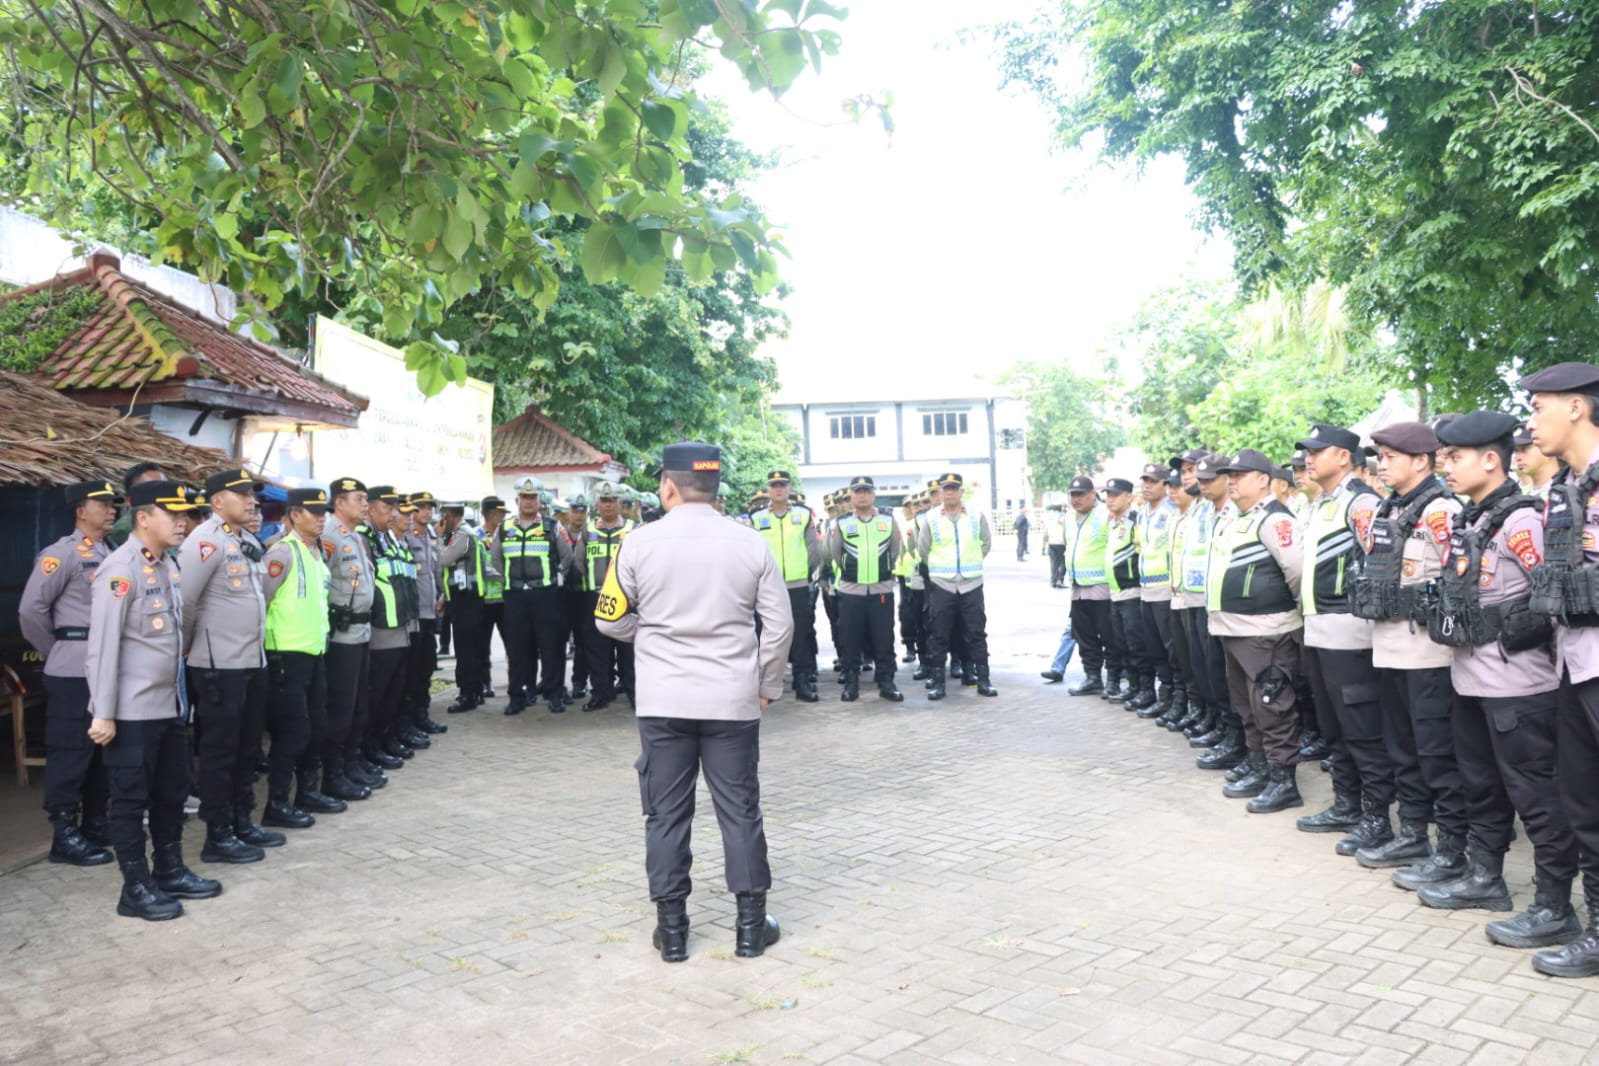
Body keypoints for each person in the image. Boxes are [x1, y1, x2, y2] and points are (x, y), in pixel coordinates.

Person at [595, 442, 794, 963]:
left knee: (665, 814)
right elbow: (779, 626)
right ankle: (750, 930)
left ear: (668, 487)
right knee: (740, 810)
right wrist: (766, 685)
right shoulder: (750, 542)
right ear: (714, 486)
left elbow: (608, 618)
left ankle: (673, 933)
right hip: (732, 699)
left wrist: (652, 636)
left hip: (664, 700)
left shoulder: (636, 543)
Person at [1426, 410, 1582, 948]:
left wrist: (1511, 628)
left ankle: (1554, 906)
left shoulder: (1522, 522)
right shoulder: (1473, 519)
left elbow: (1553, 598)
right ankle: (1485, 877)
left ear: (1491, 459)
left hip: (1520, 689)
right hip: (1472, 682)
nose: (1446, 466)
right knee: (1481, 789)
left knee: (1537, 801)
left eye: (1456, 457)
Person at [87, 480, 221, 920]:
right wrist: (103, 712)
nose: (182, 522)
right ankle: (135, 887)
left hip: (168, 705)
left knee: (171, 792)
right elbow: (103, 646)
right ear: (143, 518)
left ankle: (169, 870)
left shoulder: (167, 564)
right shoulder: (120, 569)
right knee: (129, 800)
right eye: (173, 514)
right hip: (130, 711)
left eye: (184, 515)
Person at [1353, 422, 1469, 876]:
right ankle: (1413, 834)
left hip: (1428, 655)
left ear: (1421, 461)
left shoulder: (1442, 510)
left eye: (1390, 457)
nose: (1381, 465)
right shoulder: (1390, 508)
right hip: (1389, 649)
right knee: (1402, 751)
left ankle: (1451, 850)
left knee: (1437, 755)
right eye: (1379, 457)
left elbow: (1459, 581)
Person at [1517, 361, 1599, 978]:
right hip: (1574, 662)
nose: (1531, 424)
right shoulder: (1565, 487)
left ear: (1576, 407)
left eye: (1539, 407)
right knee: (1584, 802)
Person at [1293, 425, 1393, 852]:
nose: (1309, 459)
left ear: (1343, 456)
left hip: (1351, 635)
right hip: (1319, 631)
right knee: (1334, 729)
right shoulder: (1323, 503)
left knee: (1363, 732)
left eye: (1318, 451)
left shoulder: (1360, 502)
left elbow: (1379, 563)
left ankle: (1377, 818)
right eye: (1307, 452)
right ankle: (1346, 804)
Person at [178, 468, 282, 864]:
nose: (252, 501)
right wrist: (189, 648)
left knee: (247, 748)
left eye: (252, 494)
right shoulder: (204, 541)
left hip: (252, 660)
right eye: (242, 494)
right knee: (220, 752)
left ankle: (242, 821)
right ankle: (217, 835)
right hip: (218, 663)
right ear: (217, 501)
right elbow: (186, 602)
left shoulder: (245, 540)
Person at [18, 479, 123, 866]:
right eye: (103, 504)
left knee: (102, 749)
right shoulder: (61, 554)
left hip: (108, 664)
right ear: (81, 510)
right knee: (71, 750)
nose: (112, 510)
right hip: (74, 668)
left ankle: (95, 822)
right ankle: (64, 834)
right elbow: (30, 611)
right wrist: (59, 650)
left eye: (113, 504)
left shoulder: (112, 552)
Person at [1208, 450, 1306, 813]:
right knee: (1247, 705)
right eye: (1230, 475)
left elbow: (1296, 571)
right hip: (1234, 629)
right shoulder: (1239, 518)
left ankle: (1284, 780)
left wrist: (1289, 611)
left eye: (1240, 475)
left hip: (1266, 630)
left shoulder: (1274, 519)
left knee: (1272, 706)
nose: (1232, 481)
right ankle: (1260, 765)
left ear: (1263, 479)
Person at [260, 487, 343, 827]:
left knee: (316, 727)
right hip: (286, 654)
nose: (322, 518)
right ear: (295, 515)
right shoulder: (283, 552)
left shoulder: (316, 551)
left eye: (324, 512)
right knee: (292, 732)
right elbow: (262, 598)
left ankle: (307, 792)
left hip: (313, 651)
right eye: (314, 512)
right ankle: (277, 803)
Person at [319, 477, 379, 800]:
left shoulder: (355, 535)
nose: (365, 504)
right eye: (359, 498)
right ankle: (333, 774)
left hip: (361, 632)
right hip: (341, 635)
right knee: (341, 707)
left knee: (358, 705)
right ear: (339, 502)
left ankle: (351, 764)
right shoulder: (329, 535)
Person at [494, 477, 573, 714]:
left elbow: (567, 557)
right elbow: (496, 559)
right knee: (517, 649)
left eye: (533, 497)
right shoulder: (504, 527)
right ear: (517, 500)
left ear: (539, 500)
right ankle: (517, 696)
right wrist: (508, 580)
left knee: (551, 647)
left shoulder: (552, 526)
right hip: (515, 596)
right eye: (524, 497)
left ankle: (554, 694)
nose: (528, 501)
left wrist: (556, 579)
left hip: (545, 595)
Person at [915, 472, 996, 699]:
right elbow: (923, 548)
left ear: (961, 491)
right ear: (940, 492)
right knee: (939, 634)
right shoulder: (931, 518)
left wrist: (971, 563)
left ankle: (984, 681)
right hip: (942, 583)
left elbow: (986, 543)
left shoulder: (976, 515)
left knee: (976, 633)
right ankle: (938, 683)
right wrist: (940, 567)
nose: (949, 492)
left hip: (971, 583)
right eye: (946, 488)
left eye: (953, 488)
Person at [827, 476, 903, 702]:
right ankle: (851, 684)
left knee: (884, 638)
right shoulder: (842, 523)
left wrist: (882, 569)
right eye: (858, 491)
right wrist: (852, 570)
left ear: (873, 495)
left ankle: (887, 682)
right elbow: (836, 553)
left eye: (867, 491)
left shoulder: (888, 521)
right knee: (850, 639)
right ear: (851, 495)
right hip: (851, 591)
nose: (862, 495)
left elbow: (895, 550)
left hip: (881, 590)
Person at [750, 471, 824, 703]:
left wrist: (804, 573)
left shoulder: (803, 514)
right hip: (767, 587)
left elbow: (813, 550)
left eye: (783, 485)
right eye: (774, 485)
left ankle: (802, 682)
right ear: (769, 490)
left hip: (797, 585)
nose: (779, 489)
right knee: (766, 635)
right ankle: (768, 684)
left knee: (800, 634)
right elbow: (752, 550)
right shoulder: (756, 517)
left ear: (790, 488)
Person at [1061, 476, 1115, 697]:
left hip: (1101, 587)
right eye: (1073, 495)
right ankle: (1092, 677)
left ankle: (1113, 679)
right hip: (1077, 587)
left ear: (1093, 494)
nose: (1076, 499)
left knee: (1109, 636)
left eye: (1081, 494)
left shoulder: (1106, 514)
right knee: (1084, 636)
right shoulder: (1069, 517)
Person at [441, 501, 496, 714]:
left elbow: (443, 559)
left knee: (465, 651)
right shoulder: (468, 534)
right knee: (472, 649)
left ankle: (468, 695)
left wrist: (437, 539)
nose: (442, 521)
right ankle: (476, 691)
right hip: (466, 599)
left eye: (444, 516)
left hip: (466, 600)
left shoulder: (462, 535)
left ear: (450, 516)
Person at [1136, 462, 1180, 718]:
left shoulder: (1172, 510)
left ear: (1165, 484)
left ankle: (1178, 699)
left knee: (1170, 649)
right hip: (1146, 588)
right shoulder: (1142, 513)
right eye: (1144, 481)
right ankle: (1164, 695)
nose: (1147, 486)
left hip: (1165, 589)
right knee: (1153, 647)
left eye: (1153, 481)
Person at [404, 492, 447, 737]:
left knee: (426, 668)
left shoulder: (431, 534)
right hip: (414, 614)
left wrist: (443, 593)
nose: (427, 511)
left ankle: (422, 715)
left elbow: (436, 569)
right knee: (413, 671)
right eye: (421, 507)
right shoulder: (406, 536)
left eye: (430, 507)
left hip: (431, 611)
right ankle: (410, 718)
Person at [1103, 478, 1148, 708]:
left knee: (1136, 645)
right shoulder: (1112, 522)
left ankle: (1145, 690)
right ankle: (1132, 687)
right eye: (1108, 495)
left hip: (1132, 592)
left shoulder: (1135, 521)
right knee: (1122, 645)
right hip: (1115, 593)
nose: (1110, 499)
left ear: (1129, 497)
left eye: (1115, 495)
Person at [476, 496, 508, 700]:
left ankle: (517, 680)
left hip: (505, 600)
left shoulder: (506, 535)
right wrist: (505, 575)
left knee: (512, 642)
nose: (502, 517)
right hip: (485, 600)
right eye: (499, 514)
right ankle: (485, 682)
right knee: (482, 645)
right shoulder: (476, 536)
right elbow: (481, 566)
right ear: (489, 514)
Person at [105, 462, 167, 550]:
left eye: (164, 487)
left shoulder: (163, 520)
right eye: (155, 489)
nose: (165, 493)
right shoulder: (126, 528)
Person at [1513, 424, 1557, 499]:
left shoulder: (1567, 491)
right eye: (1516, 450)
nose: (1518, 457)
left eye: (1525, 448)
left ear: (1549, 447)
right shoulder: (1519, 494)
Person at [1043, 503, 1068, 588]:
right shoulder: (1065, 517)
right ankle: (1060, 580)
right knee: (1064, 562)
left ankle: (1053, 581)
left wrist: (1044, 544)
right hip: (1062, 543)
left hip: (1051, 543)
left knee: (1054, 563)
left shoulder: (1049, 518)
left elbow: (1045, 531)